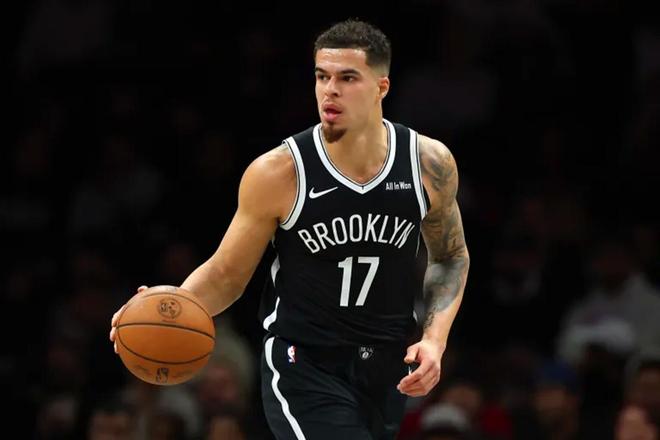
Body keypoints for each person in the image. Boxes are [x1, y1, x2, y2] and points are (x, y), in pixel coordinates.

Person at [110, 18, 470, 440]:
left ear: (381, 87)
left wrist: (435, 340)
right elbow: (226, 275)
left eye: (347, 78)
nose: (330, 90)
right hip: (303, 363)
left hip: (386, 364)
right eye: (322, 76)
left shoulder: (428, 164)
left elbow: (450, 256)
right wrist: (170, 307)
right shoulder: (279, 172)